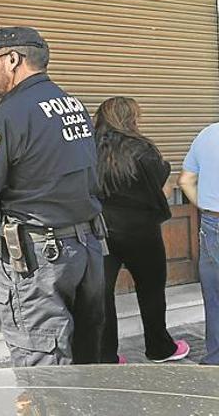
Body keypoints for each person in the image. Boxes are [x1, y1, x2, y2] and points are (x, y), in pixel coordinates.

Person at [0, 27, 105, 366]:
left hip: (39, 258)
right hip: (86, 249)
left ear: (13, 60)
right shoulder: (74, 105)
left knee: (41, 364)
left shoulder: (5, 117)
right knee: (87, 357)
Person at [94, 97, 190, 364]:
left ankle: (106, 357)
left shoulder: (88, 150)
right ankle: (159, 348)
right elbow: (162, 190)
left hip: (102, 232)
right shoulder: (144, 149)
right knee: (151, 291)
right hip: (142, 233)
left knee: (102, 296)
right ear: (130, 119)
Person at [178, 122, 219, 365]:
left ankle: (215, 358)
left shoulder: (207, 134)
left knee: (214, 294)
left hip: (212, 222)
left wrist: (204, 206)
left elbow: (186, 180)